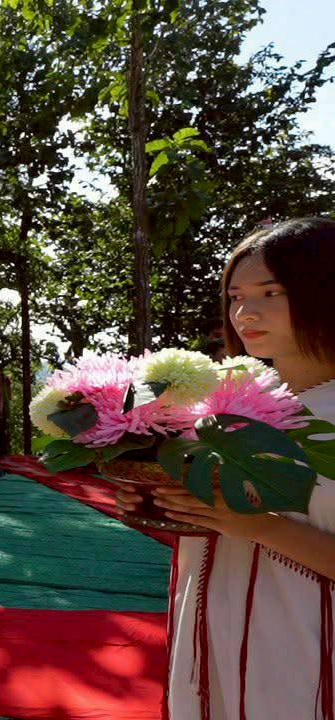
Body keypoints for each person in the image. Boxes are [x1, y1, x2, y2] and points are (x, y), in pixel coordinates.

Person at [115, 217, 335, 720]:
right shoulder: (219, 410)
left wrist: (256, 525)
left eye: (270, 292)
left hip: (310, 649)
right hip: (212, 635)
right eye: (234, 295)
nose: (244, 312)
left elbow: (252, 523)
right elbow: (212, 524)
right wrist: (156, 503)